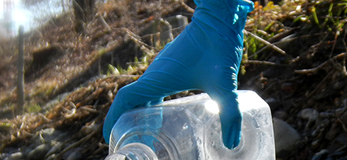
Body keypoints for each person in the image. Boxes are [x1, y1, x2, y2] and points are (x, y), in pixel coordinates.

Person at [103, 0, 255, 149]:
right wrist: (209, 22)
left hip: (217, 37)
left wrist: (217, 23)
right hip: (205, 32)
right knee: (142, 100)